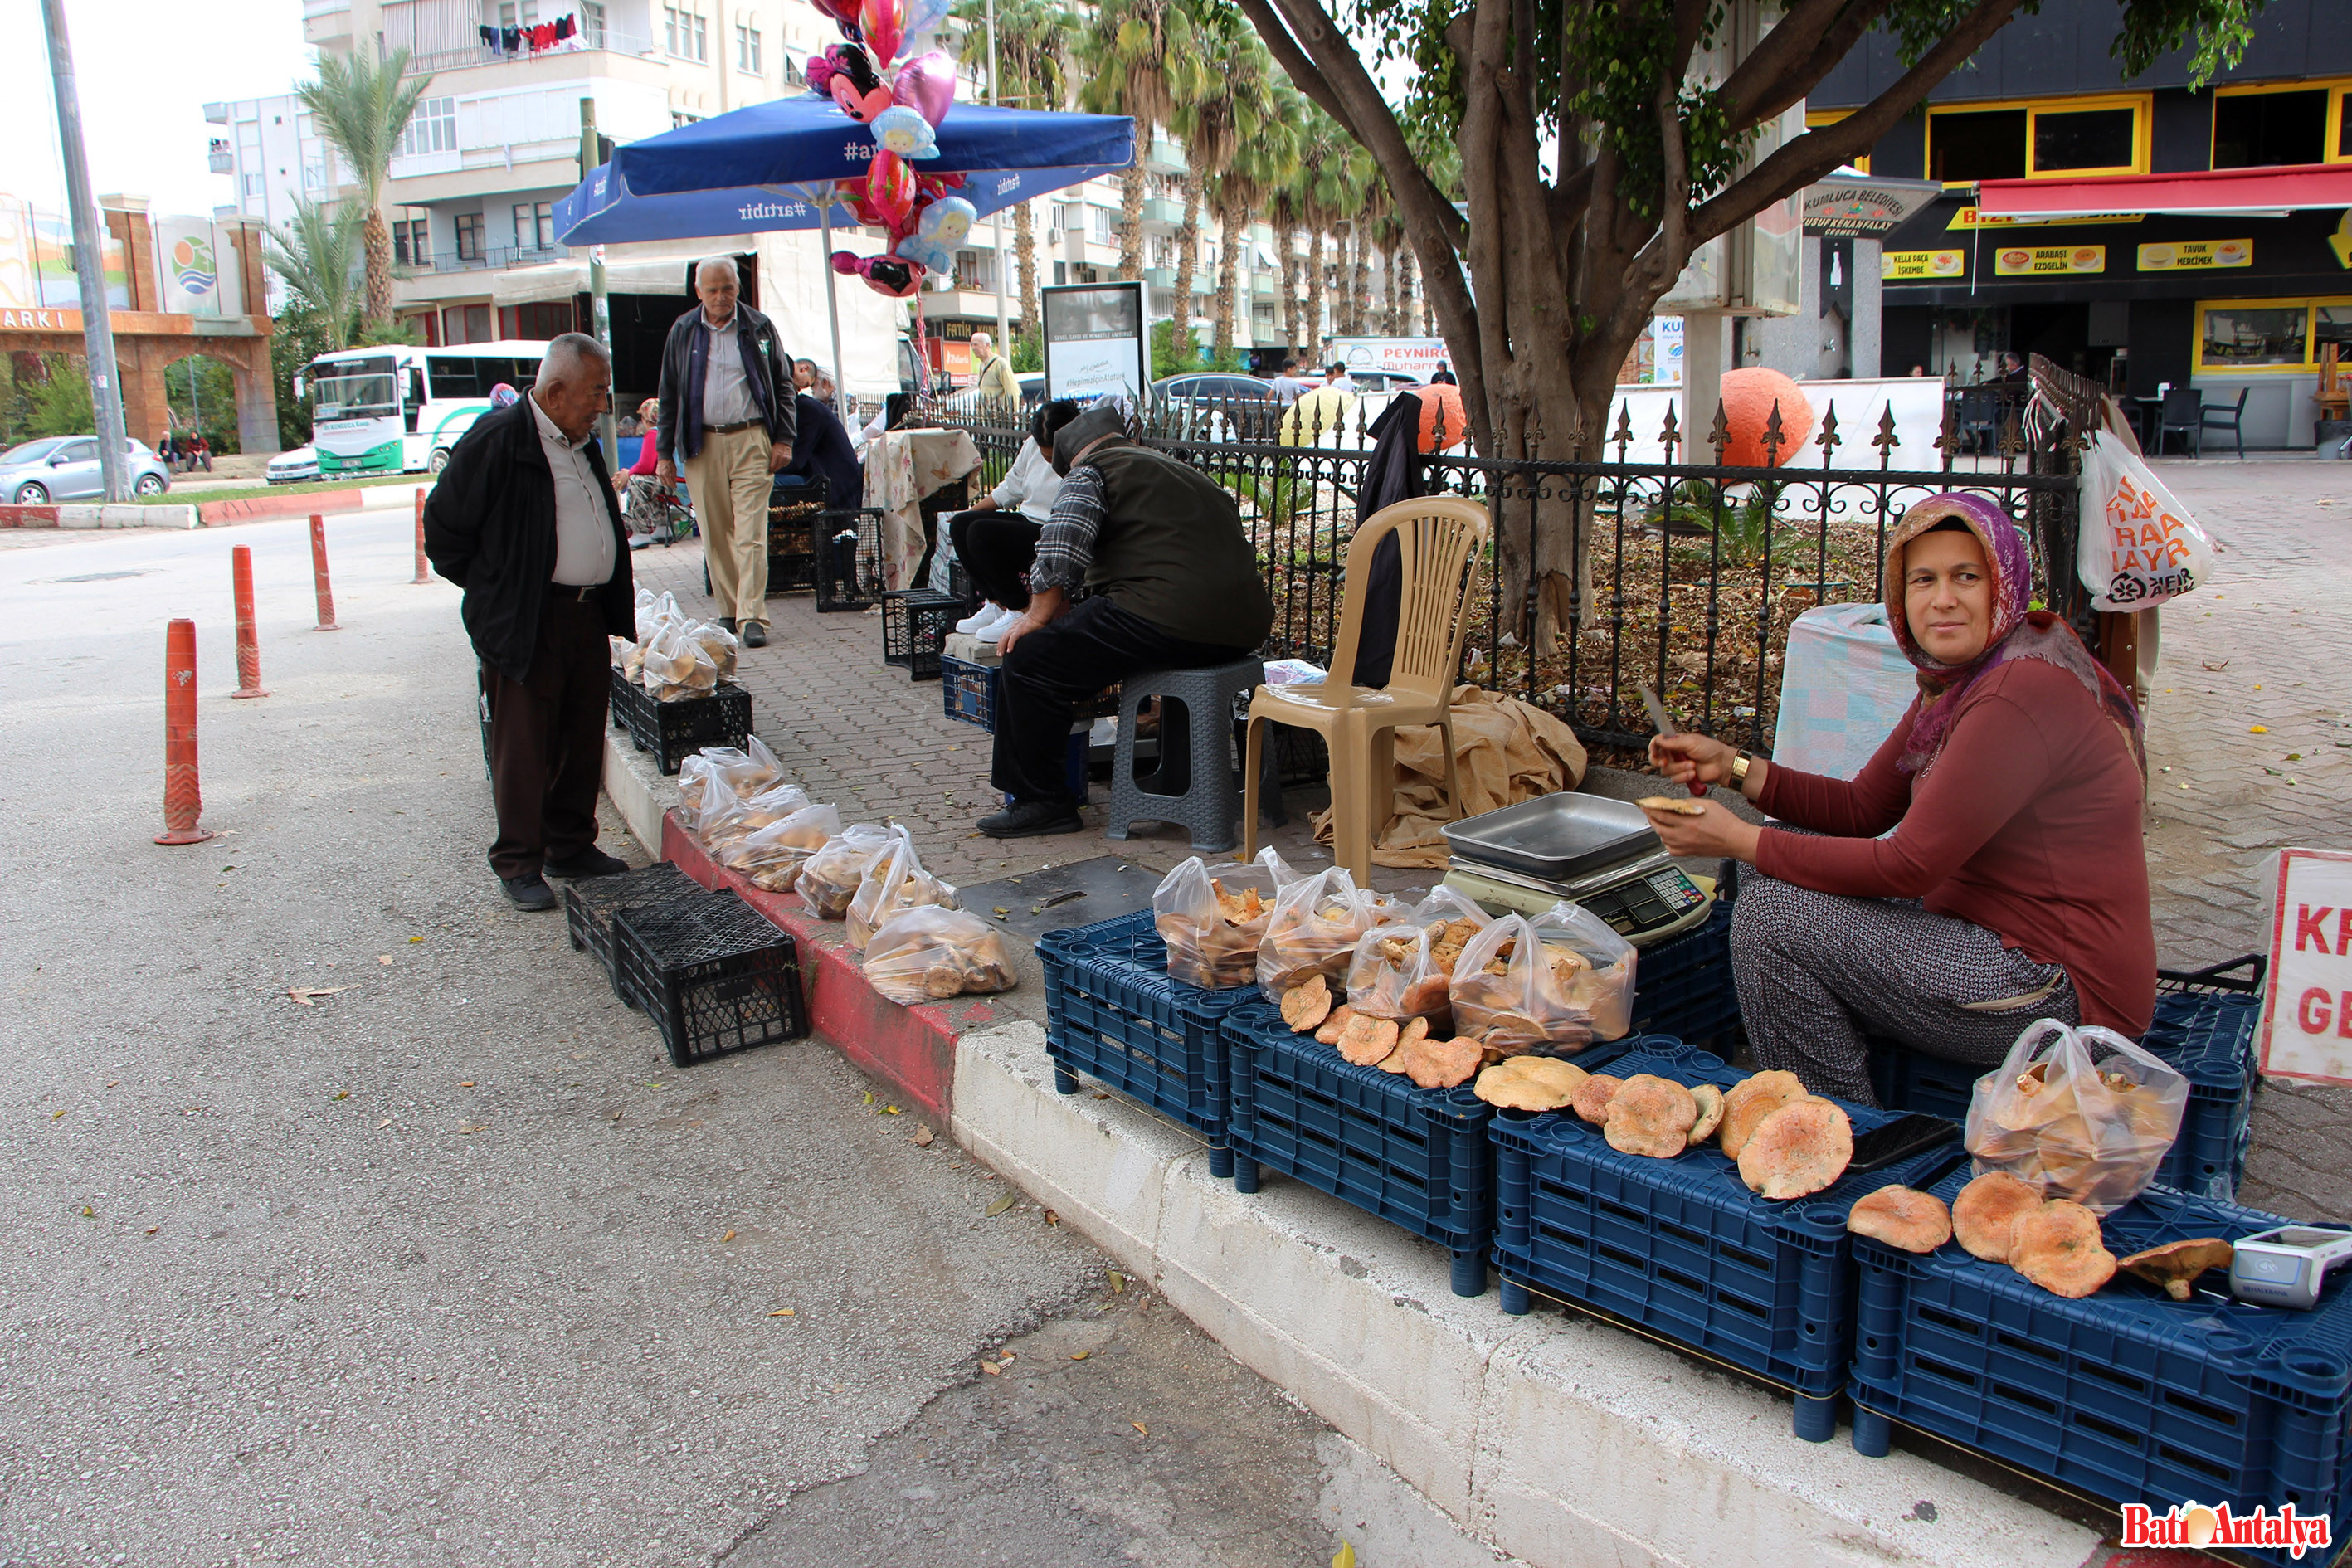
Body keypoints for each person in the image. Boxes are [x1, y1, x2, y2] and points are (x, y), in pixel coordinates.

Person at [1642, 492, 2152, 1107]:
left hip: (2055, 992)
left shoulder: (2015, 694)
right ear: (1899, 595)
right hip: (1979, 927)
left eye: (1966, 576)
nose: (1942, 599)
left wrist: (1734, 837)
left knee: (1772, 917)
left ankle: (1833, 1125)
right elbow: (1863, 809)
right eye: (1922, 579)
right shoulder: (1962, 678)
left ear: (2004, 586)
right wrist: (1732, 767)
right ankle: (1833, 1039)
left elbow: (1906, 864)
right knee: (1778, 859)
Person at [980, 403, 1275, 838]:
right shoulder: (1183, 472)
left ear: (1070, 458)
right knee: (1074, 640)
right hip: (1243, 629)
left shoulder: (1091, 471)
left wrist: (1038, 616)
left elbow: (1061, 547)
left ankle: (1042, 801)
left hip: (1164, 617)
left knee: (1028, 660)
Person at [422, 333, 634, 912]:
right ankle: (518, 862)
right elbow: (443, 534)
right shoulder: (497, 440)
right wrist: (501, 589)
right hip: (527, 617)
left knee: (581, 733)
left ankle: (570, 844)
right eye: (595, 391)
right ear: (557, 389)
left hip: (584, 614)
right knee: (522, 745)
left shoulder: (579, 440)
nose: (602, 404)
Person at [655, 255, 797, 650]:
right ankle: (729, 608)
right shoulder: (683, 330)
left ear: (739, 288)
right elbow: (669, 393)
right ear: (698, 291)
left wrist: (784, 439)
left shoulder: (759, 326)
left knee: (750, 533)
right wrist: (664, 452)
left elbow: (783, 385)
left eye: (728, 288)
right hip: (701, 443)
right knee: (716, 532)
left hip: (752, 438)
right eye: (713, 290)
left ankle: (753, 615)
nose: (721, 297)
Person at [947, 398, 1081, 641]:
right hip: (1029, 519)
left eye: (1051, 455)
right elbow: (1011, 487)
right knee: (962, 525)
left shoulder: (1081, 451)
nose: (1049, 460)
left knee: (980, 533)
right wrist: (968, 513)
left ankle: (1018, 608)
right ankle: (996, 604)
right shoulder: (1033, 444)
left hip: (1057, 532)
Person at [779, 369, 863, 514]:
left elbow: (796, 460)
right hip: (822, 480)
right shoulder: (804, 408)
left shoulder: (807, 410)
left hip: (834, 490)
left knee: (764, 484)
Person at [616, 397, 675, 549]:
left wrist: (627, 474)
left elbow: (645, 466)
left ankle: (640, 532)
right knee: (652, 482)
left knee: (637, 481)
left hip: (673, 485)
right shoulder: (671, 430)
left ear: (645, 418)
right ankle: (662, 528)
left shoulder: (653, 434)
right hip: (681, 483)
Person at [968, 332, 1020, 402]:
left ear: (987, 345)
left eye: (976, 344)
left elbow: (1013, 391)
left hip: (999, 412)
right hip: (987, 412)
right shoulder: (982, 366)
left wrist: (1012, 412)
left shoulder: (1000, 364)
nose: (973, 348)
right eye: (972, 345)